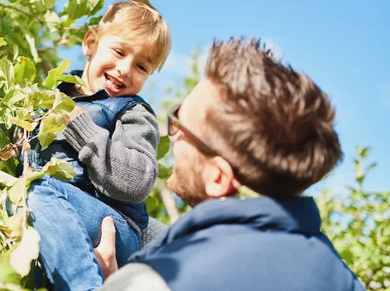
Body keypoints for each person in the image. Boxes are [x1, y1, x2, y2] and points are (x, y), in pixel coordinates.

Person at [96, 38, 365, 291]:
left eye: (178, 124)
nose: (172, 135)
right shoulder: (345, 280)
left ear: (217, 177)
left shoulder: (157, 279)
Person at [19, 0, 171, 290]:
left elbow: (138, 181)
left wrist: (82, 129)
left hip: (112, 227)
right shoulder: (49, 95)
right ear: (90, 43)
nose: (125, 69)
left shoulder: (132, 112)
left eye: (141, 66)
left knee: (38, 190)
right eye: (119, 51)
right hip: (52, 222)